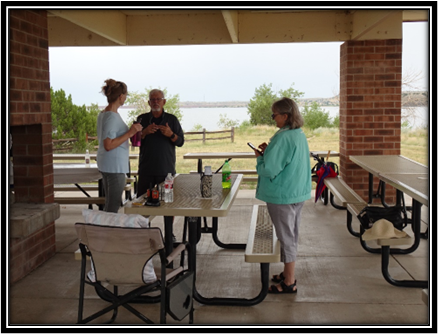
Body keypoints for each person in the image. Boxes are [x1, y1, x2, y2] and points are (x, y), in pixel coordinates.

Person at [251, 97, 311, 294]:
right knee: (290, 233)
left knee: (286, 237)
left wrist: (261, 159)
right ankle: (287, 273)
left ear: (285, 116)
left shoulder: (283, 137)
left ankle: (289, 282)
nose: (273, 118)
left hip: (283, 194)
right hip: (296, 192)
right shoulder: (297, 134)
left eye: (274, 115)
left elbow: (269, 170)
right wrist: (270, 152)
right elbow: (287, 159)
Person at [97, 79, 143, 213]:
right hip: (114, 167)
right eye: (125, 95)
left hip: (108, 164)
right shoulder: (111, 116)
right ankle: (106, 232)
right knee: (113, 204)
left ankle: (105, 230)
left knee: (110, 203)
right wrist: (130, 133)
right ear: (120, 96)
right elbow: (108, 144)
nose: (125, 98)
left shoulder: (105, 114)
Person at [136, 89, 184, 196]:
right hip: (146, 170)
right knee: (142, 206)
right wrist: (144, 132)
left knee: (168, 206)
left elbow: (180, 142)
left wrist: (171, 134)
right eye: (152, 99)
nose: (155, 102)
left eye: (158, 99)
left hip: (166, 170)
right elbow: (134, 142)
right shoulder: (141, 119)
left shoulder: (172, 120)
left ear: (164, 102)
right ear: (149, 103)